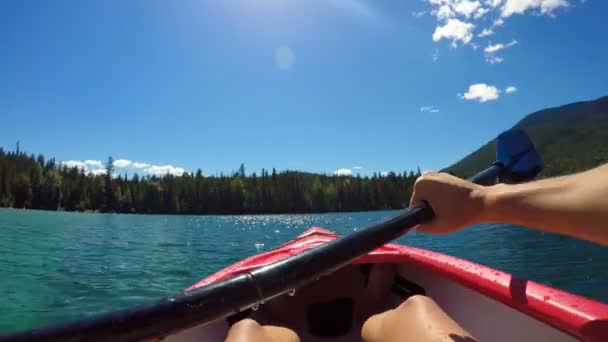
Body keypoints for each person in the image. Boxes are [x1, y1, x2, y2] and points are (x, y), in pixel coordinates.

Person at [225, 164, 608, 342]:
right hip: (377, 308)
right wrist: (482, 202)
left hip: (271, 319)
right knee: (415, 310)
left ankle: (267, 315)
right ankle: (371, 310)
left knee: (247, 331)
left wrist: (484, 201)